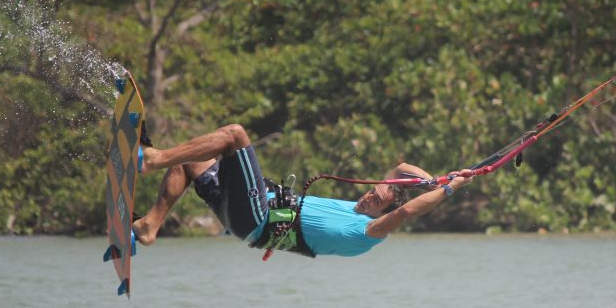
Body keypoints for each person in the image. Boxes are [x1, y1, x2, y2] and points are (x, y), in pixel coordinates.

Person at [132, 123, 471, 258]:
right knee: (191, 160)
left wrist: (451, 189)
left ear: (383, 213)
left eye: (376, 200)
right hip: (243, 216)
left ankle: (153, 158)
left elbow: (408, 210)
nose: (369, 196)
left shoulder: (368, 232)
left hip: (257, 217)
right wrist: (437, 180)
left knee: (234, 135)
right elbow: (400, 169)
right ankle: (149, 226)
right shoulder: (356, 208)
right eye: (373, 192)